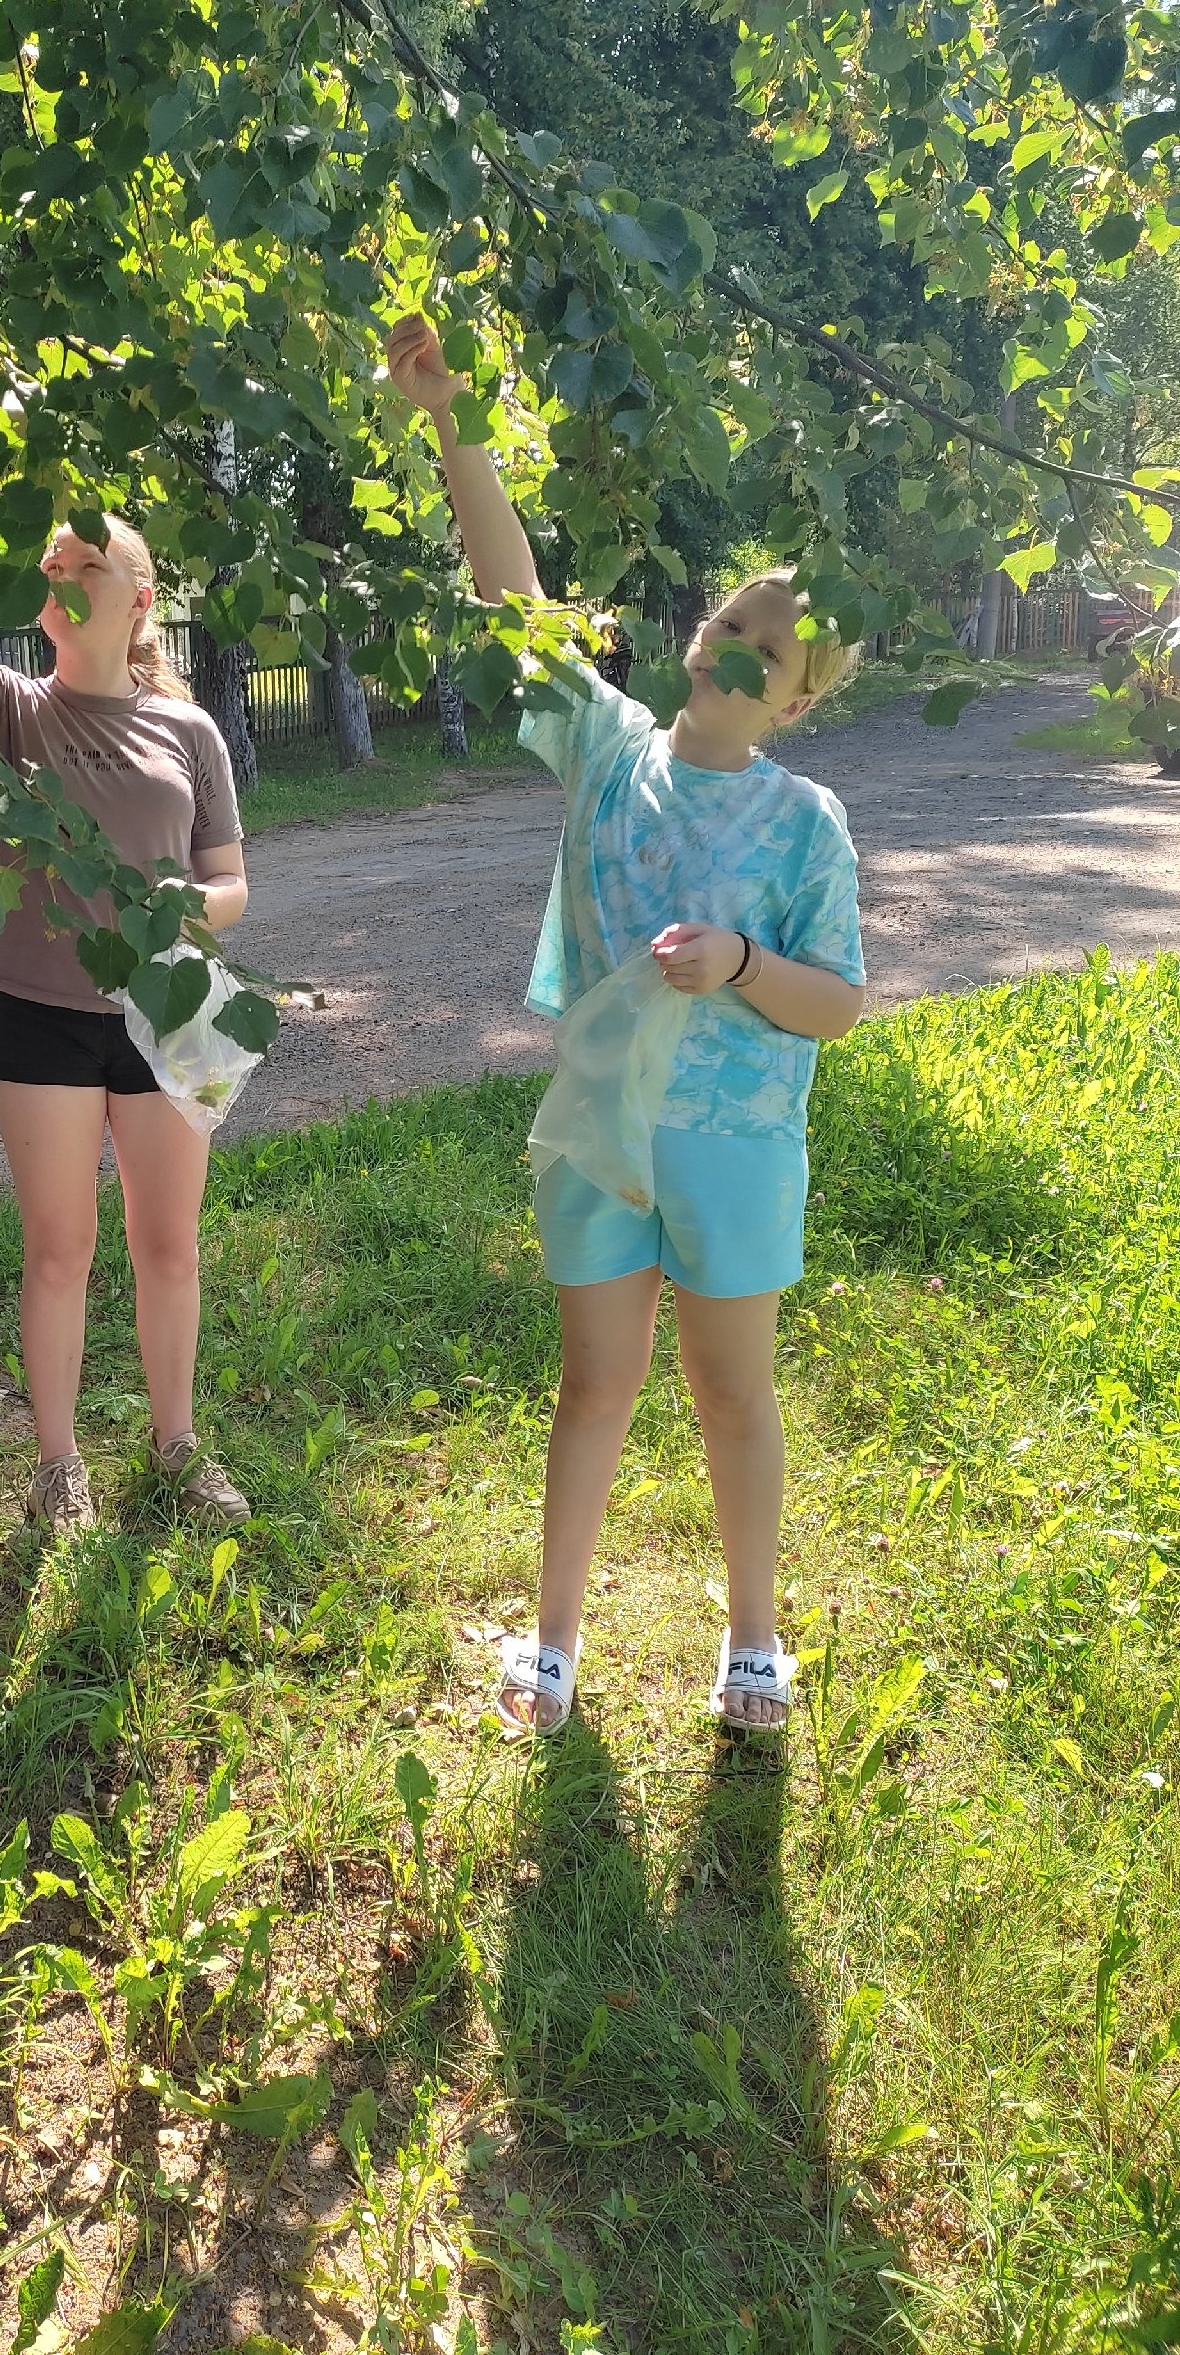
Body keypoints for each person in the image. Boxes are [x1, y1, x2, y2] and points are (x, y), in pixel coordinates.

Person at [386, 312, 867, 1738]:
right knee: (591, 1385)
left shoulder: (805, 822)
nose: (737, 651)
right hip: (600, 1136)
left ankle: (755, 1642)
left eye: (771, 652)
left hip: (734, 1147)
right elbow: (512, 600)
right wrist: (452, 420)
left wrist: (735, 966)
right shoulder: (608, 754)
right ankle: (551, 1646)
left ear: (798, 700)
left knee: (734, 1397)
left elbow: (837, 1003)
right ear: (697, 630)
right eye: (730, 622)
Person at [0, 402, 250, 1538]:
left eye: (90, 555)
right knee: (60, 1251)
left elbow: (232, 883)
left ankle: (178, 1446)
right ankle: (57, 1466)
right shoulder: (15, 710)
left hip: (169, 1017)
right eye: (56, 555)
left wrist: (192, 906)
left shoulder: (189, 732)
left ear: (138, 597)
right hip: (41, 1017)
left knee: (168, 1245)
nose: (63, 560)